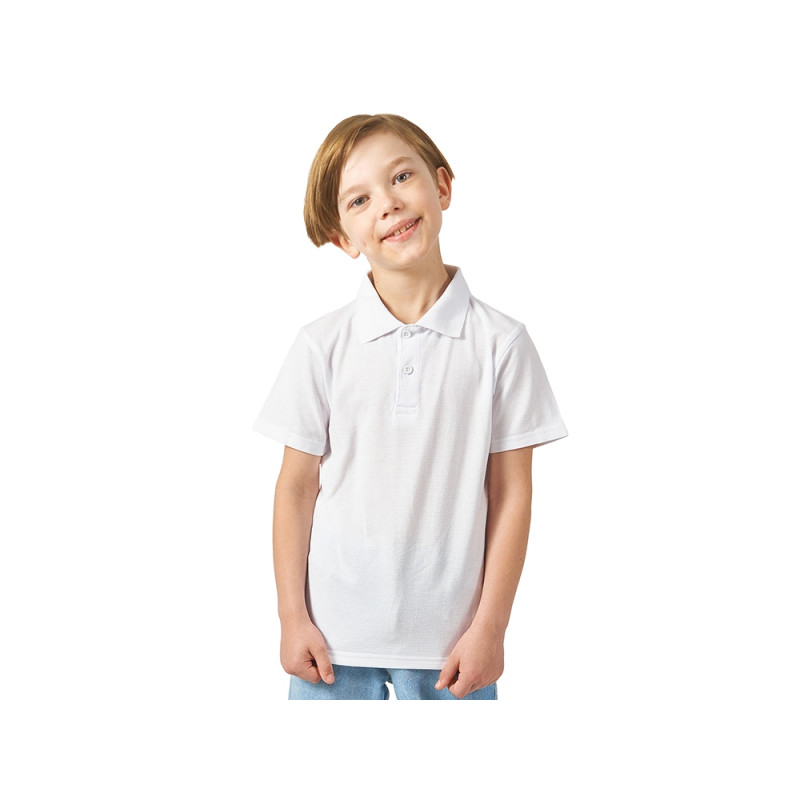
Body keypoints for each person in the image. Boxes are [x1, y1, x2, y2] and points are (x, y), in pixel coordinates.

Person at [253, 114, 567, 700]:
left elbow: (512, 494)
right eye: (359, 200)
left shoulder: (502, 344)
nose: (389, 204)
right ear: (343, 238)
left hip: (454, 649)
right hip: (331, 645)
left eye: (401, 176)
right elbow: (295, 488)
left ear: (441, 186)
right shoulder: (321, 345)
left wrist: (491, 629)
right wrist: (290, 617)